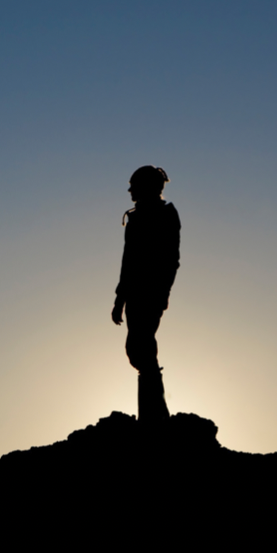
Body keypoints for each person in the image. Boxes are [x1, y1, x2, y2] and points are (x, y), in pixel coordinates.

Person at [111, 166, 180, 422]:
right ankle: (153, 414)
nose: (130, 190)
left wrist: (163, 292)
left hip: (151, 291)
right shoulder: (136, 218)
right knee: (137, 349)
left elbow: (171, 259)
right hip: (134, 293)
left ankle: (155, 416)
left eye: (134, 185)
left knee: (142, 347)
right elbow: (128, 262)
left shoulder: (166, 214)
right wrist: (120, 299)